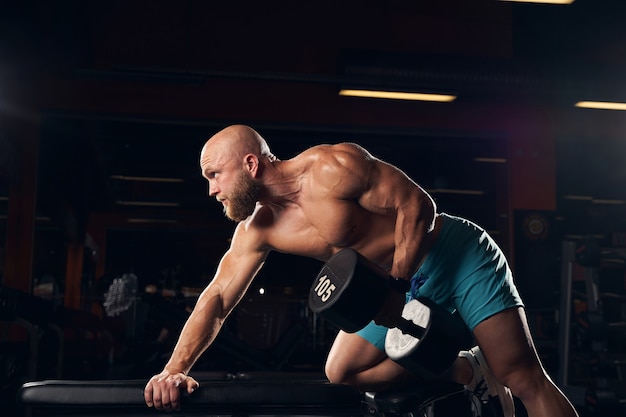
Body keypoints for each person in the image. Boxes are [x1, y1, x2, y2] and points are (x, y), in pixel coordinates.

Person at [144, 124, 578, 417]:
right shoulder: (257, 230)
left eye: (214, 175)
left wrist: (397, 287)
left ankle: (492, 368)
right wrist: (174, 369)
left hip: (450, 252)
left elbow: (417, 206)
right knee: (342, 372)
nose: (211, 189)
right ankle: (465, 370)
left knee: (521, 377)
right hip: (391, 285)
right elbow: (217, 299)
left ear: (251, 165)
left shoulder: (331, 169)